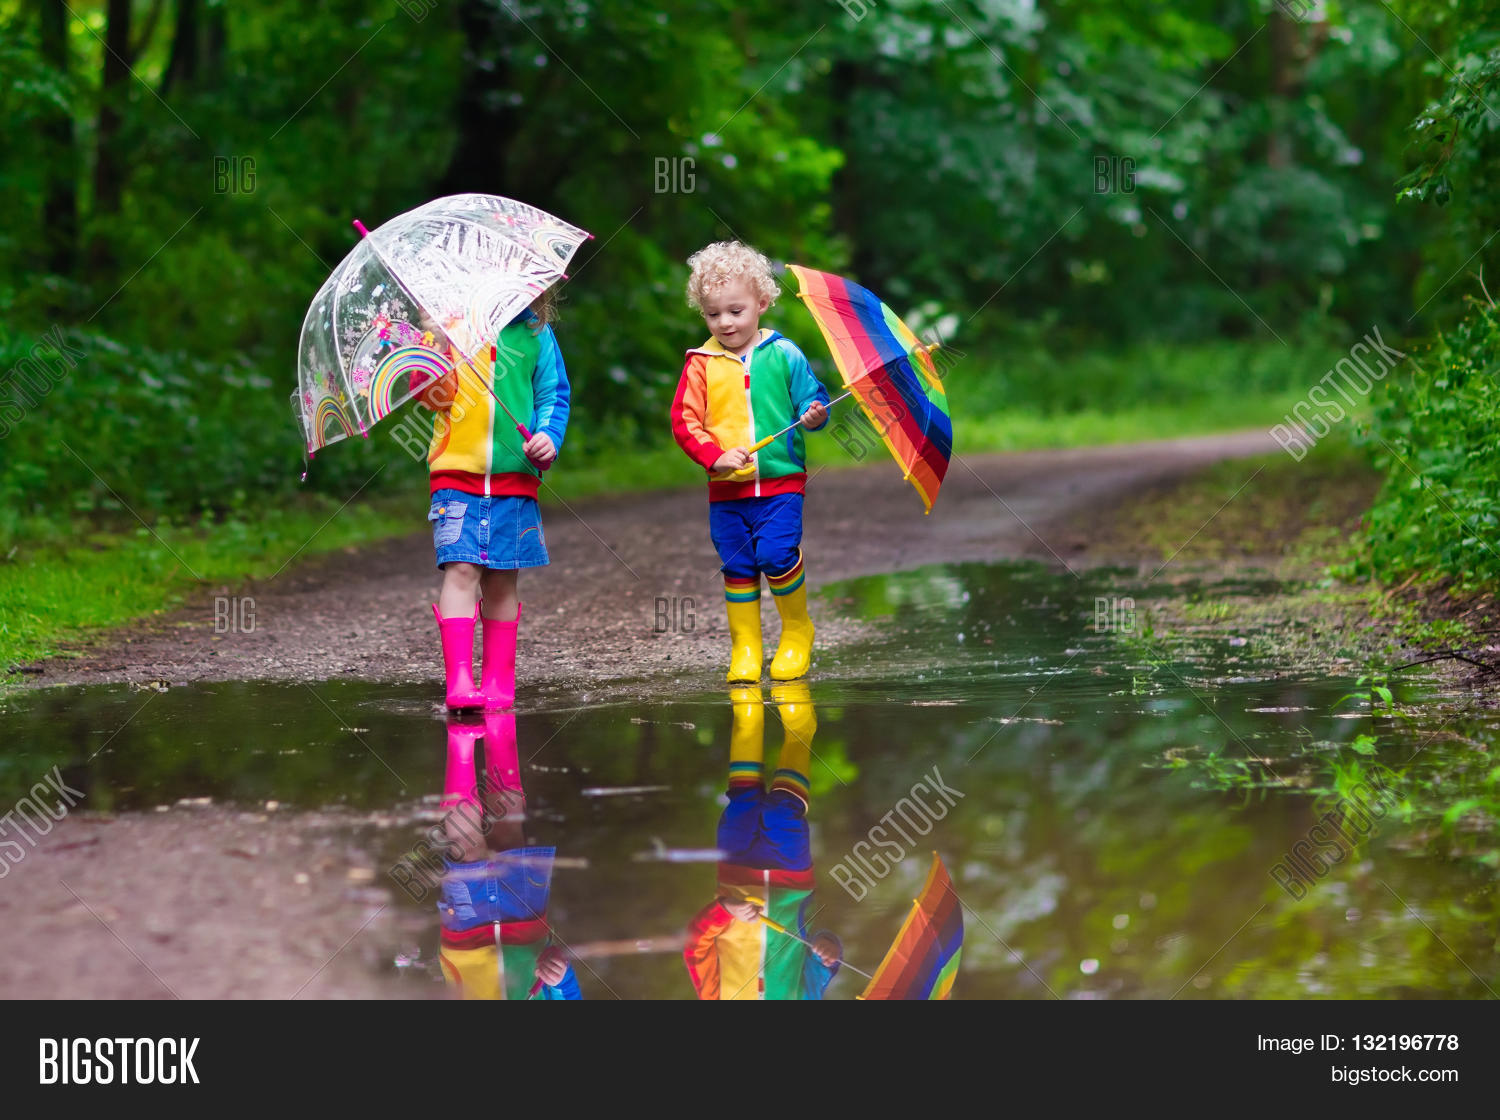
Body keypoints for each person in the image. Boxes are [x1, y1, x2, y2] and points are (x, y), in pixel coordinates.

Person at [670, 241, 831, 682]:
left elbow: (812, 402)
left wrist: (816, 414)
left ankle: (797, 631)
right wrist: (716, 457)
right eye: (713, 313)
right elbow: (685, 423)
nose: (725, 323)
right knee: (738, 564)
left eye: (736, 311)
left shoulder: (784, 355)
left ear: (761, 303)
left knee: (777, 554)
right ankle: (746, 646)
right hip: (727, 489)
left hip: (780, 482)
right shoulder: (700, 364)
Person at [412, 293, 569, 711]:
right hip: (455, 477)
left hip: (514, 479)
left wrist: (548, 439)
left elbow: (553, 395)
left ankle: (499, 682)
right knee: (461, 569)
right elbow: (431, 399)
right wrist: (437, 345)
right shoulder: (448, 328)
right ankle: (460, 681)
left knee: (501, 578)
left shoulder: (536, 333)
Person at [683, 683, 843, 999]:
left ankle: (747, 707)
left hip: (735, 870)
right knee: (783, 811)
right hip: (791, 879)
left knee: (743, 800)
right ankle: (799, 725)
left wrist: (725, 910)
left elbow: (694, 945)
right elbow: (822, 963)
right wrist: (828, 949)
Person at [434, 712, 581, 1000]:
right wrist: (561, 979)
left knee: (468, 852)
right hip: (528, 936)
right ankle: (499, 717)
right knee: (509, 836)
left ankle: (460, 743)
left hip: (469, 954)